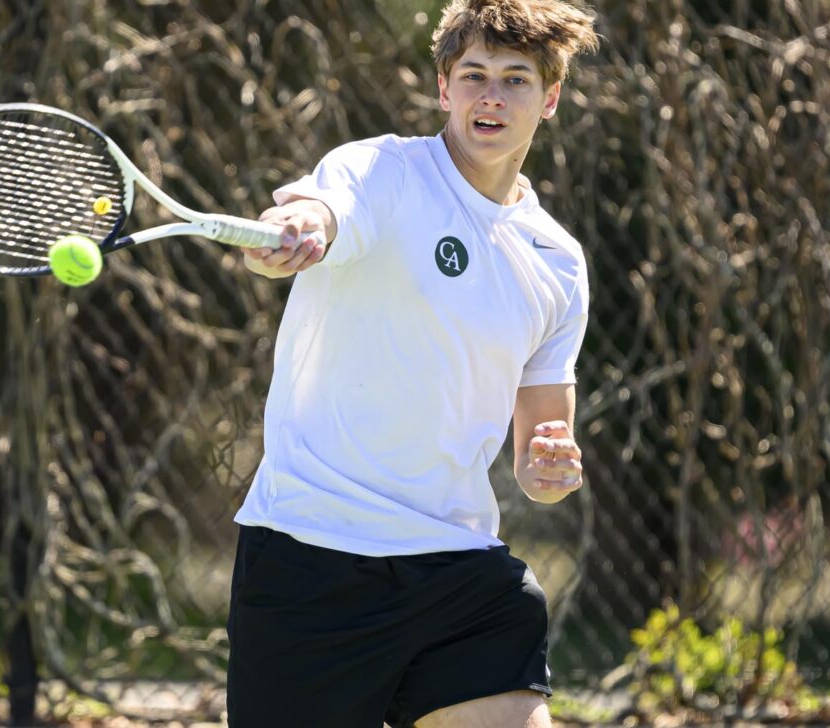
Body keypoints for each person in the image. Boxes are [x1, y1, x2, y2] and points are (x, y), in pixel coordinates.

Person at [228, 0, 598, 725]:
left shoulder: (558, 263)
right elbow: (325, 210)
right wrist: (297, 227)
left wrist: (548, 469)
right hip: (312, 559)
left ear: (549, 99)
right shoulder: (382, 171)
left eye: (517, 79)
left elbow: (540, 454)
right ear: (444, 88)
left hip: (460, 572)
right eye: (474, 75)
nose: (492, 95)